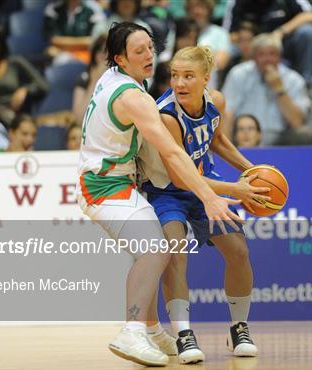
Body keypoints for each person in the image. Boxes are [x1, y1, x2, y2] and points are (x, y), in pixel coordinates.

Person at [76, 22, 242, 367]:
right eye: (139, 52)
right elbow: (172, 154)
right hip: (105, 186)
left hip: (119, 181)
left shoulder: (114, 78)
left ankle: (151, 330)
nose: (150, 55)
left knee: (156, 251)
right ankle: (132, 331)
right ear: (120, 58)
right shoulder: (134, 97)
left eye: (150, 47)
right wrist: (209, 196)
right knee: (155, 250)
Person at [138, 45, 270, 364]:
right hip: (166, 190)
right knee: (175, 252)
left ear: (205, 79)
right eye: (174, 76)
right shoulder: (167, 115)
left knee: (238, 251)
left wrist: (252, 172)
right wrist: (235, 190)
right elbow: (181, 177)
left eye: (188, 76)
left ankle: (239, 328)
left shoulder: (216, 101)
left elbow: (217, 140)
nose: (179, 83)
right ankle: (184, 334)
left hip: (203, 184)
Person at [222, 33, 312, 145]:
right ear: (254, 57)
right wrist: (225, 148)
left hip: (279, 138)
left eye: (272, 54)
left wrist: (279, 89)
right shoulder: (239, 74)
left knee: (304, 135)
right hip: (244, 136)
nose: (267, 60)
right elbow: (227, 113)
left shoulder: (293, 79)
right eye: (262, 54)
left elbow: (297, 122)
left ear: (280, 57)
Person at [228, 0, 312, 85]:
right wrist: (247, 41)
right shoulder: (237, 2)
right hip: (253, 47)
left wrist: (280, 32)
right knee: (229, 48)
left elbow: (310, 15)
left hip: (283, 44)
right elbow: (229, 33)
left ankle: (304, 83)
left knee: (308, 32)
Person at [72, 34, 108, 123]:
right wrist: (95, 80)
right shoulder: (84, 77)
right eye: (101, 50)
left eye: (108, 51)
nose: (104, 55)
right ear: (94, 53)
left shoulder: (120, 79)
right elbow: (79, 117)